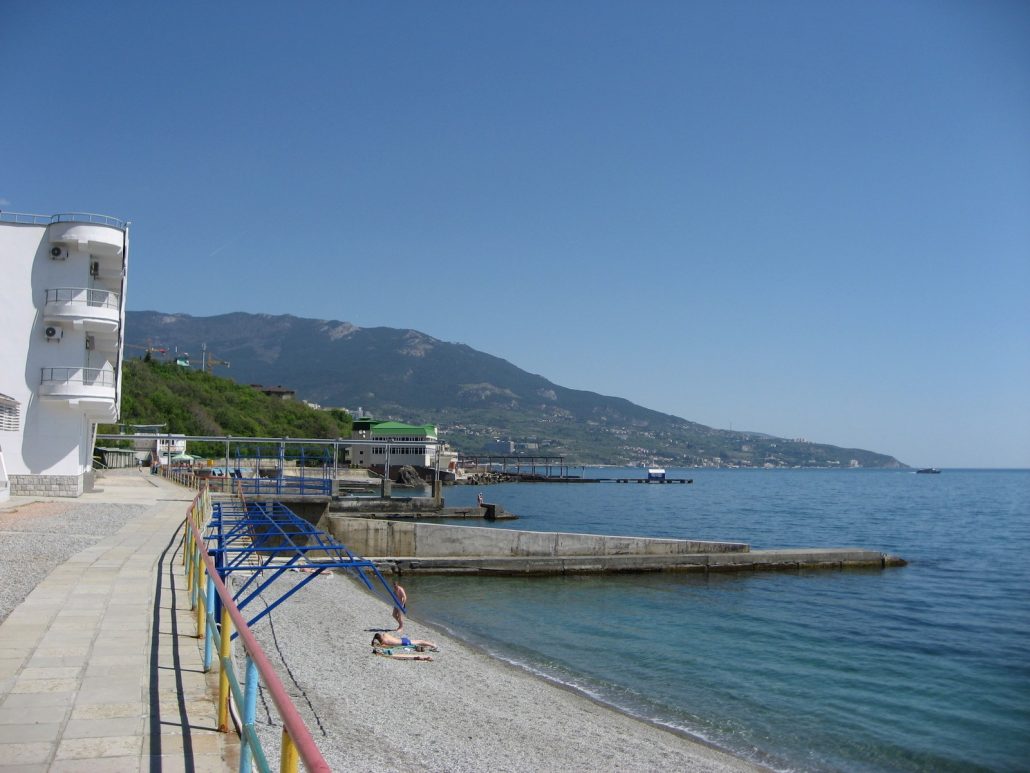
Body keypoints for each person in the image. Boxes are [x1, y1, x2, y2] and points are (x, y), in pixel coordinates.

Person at [371, 631, 438, 651]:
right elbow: (385, 634)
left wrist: (376, 644)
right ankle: (432, 645)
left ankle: (433, 645)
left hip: (403, 643)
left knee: (420, 642)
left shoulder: (383, 642)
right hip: (403, 640)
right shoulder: (385, 635)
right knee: (420, 641)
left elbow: (385, 646)